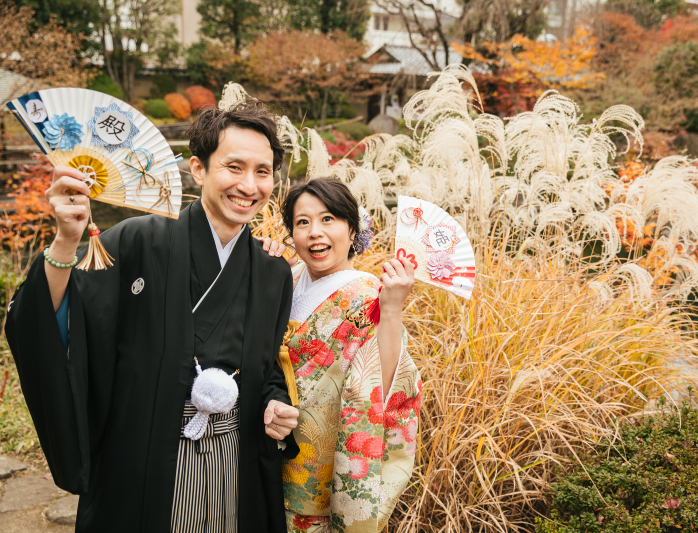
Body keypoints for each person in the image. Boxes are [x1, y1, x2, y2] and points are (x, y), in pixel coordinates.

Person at [4, 94, 300, 532]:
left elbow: (266, 368)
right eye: (233, 167)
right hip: (143, 456)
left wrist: (276, 402)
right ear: (198, 169)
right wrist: (67, 240)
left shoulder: (273, 271)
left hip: (234, 462)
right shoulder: (137, 241)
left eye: (263, 172)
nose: (249, 185)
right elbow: (59, 320)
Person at [266, 177, 422, 532]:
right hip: (262, 458)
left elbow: (384, 390)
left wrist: (393, 309)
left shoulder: (369, 296)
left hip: (317, 481)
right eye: (302, 222)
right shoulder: (280, 280)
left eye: (328, 219)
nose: (314, 233)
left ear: (352, 230)